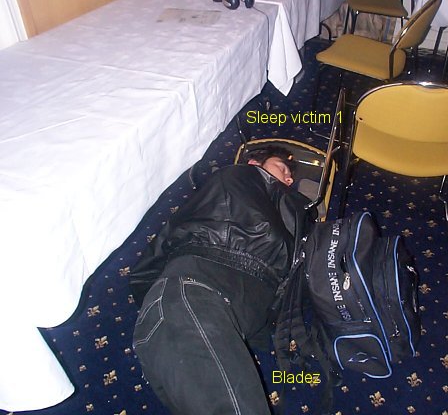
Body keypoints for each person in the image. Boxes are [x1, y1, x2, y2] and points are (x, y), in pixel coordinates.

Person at [131, 145, 315, 415]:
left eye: (291, 177)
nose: (288, 178)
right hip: (194, 290)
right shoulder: (236, 178)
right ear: (254, 164)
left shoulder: (282, 208)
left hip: (220, 309)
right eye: (282, 168)